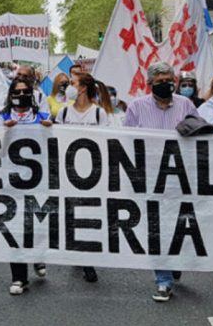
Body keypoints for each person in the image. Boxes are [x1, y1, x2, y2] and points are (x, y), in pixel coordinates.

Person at [123, 62, 196, 302]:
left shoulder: (186, 105)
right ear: (149, 84)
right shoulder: (136, 107)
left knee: (179, 228)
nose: (165, 84)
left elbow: (201, 133)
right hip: (150, 179)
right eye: (159, 80)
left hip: (180, 179)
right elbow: (127, 141)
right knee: (157, 230)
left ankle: (174, 265)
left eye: (168, 80)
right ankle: (163, 280)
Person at [0, 76, 52, 295]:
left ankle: (37, 255)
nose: (21, 96)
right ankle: (19, 277)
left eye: (25, 92)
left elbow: (56, 145)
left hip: (38, 181)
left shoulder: (43, 116)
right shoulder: (2, 118)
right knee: (15, 229)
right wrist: (3, 132)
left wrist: (50, 130)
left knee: (36, 224)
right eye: (16, 92)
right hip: (12, 182)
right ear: (10, 96)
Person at [53, 72, 107, 283]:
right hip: (69, 173)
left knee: (90, 213)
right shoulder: (64, 112)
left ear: (83, 88)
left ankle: (87, 257)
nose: (69, 88)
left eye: (72, 84)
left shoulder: (98, 114)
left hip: (93, 174)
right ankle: (82, 254)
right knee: (72, 213)